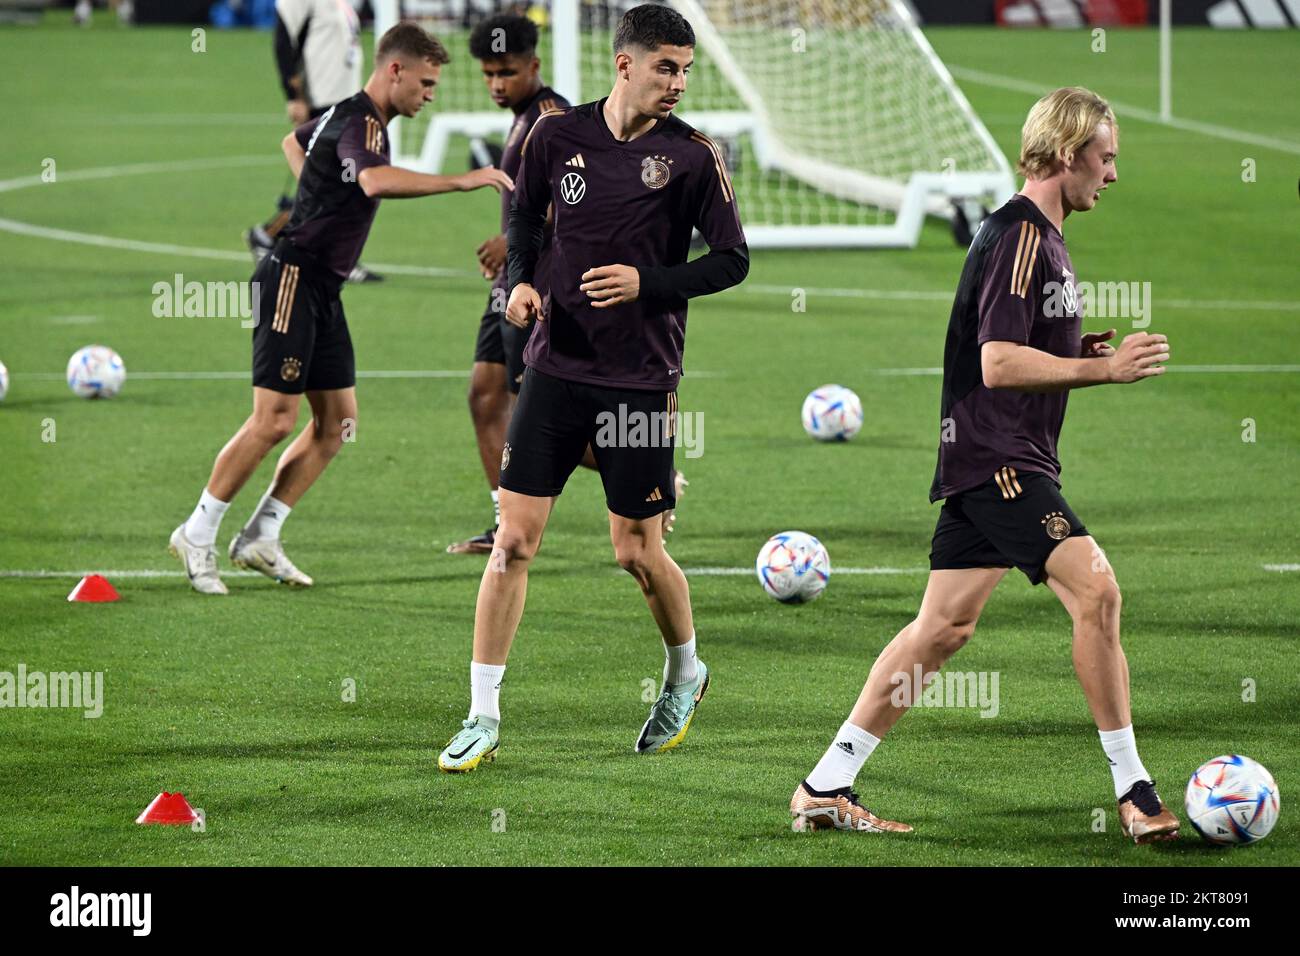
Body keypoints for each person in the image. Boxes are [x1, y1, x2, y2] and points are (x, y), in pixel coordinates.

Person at [788, 87, 1180, 845]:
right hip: (1000, 463)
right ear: (1066, 154)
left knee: (942, 630)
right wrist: (1106, 373)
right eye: (1106, 157)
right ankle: (1134, 790)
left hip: (993, 458)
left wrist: (1073, 350)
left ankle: (824, 785)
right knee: (1098, 595)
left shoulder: (1038, 235)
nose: (1113, 173)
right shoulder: (1022, 236)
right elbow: (997, 363)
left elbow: (1011, 342)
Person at [437, 4, 748, 773]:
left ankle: (684, 675)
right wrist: (518, 285)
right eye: (666, 67)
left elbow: (732, 260)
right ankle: (482, 713)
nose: (678, 83)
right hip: (553, 367)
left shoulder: (693, 157)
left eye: (685, 70)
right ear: (625, 64)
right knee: (512, 541)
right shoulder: (557, 136)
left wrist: (651, 282)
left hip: (641, 379)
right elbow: (527, 224)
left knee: (637, 553)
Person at [169, 23, 511, 595]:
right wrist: (463, 179)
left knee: (337, 423)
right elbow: (374, 182)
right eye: (425, 83)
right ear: (394, 70)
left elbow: (295, 144)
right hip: (291, 280)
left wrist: (320, 194)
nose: (430, 95)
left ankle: (262, 535)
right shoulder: (362, 125)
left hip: (323, 289)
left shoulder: (348, 114)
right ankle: (196, 533)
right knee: (274, 420)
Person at [446, 13, 573, 555]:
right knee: (483, 396)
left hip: (538, 287)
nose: (497, 83)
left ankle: (648, 463)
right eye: (488, 73)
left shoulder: (553, 118)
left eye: (507, 72)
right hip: (510, 282)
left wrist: (513, 240)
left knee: (536, 412)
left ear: (535, 66)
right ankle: (504, 523)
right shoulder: (524, 115)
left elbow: (576, 200)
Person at [244, 0, 383, 283]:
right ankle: (274, 236)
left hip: (345, 101)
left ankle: (276, 237)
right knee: (333, 185)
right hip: (323, 101)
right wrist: (293, 94)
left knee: (338, 185)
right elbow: (284, 40)